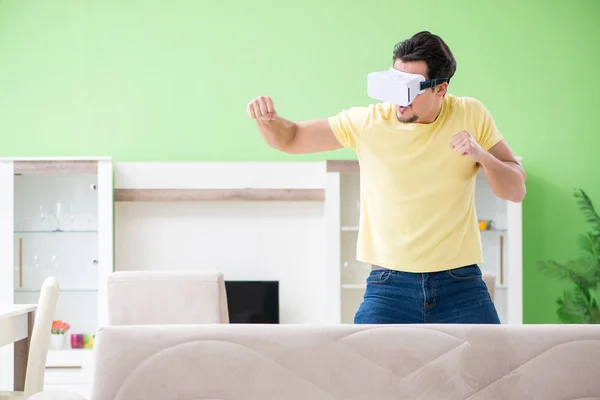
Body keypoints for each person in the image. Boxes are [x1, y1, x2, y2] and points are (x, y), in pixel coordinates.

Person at [246, 31, 526, 324]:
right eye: (394, 84)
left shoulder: (471, 114)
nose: (398, 100)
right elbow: (292, 138)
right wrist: (268, 122)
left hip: (461, 283)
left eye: (410, 88)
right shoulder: (368, 122)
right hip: (389, 285)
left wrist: (483, 156)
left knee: (493, 367)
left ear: (440, 89)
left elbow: (516, 190)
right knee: (360, 366)